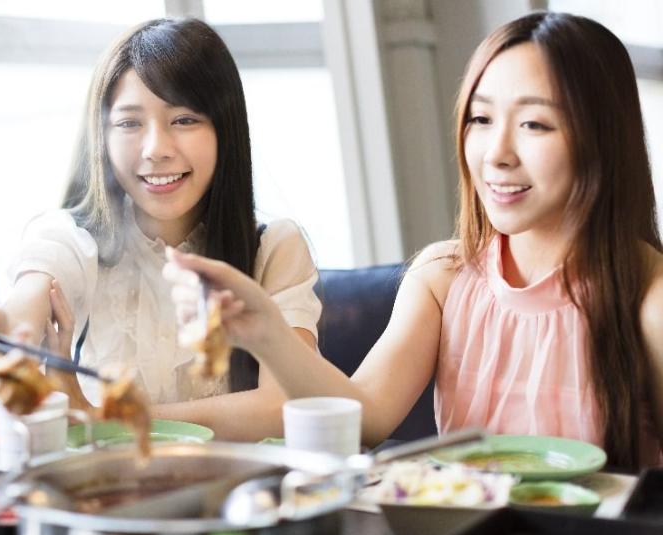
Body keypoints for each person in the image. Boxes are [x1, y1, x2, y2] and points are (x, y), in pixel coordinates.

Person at [164, 12, 663, 469]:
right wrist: (264, 330)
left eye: (534, 124)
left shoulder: (649, 298)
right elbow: (365, 420)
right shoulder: (443, 278)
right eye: (481, 119)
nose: (496, 154)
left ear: (601, 140)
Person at [0, 18, 321, 441]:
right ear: (102, 137)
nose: (156, 149)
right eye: (129, 124)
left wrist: (104, 415)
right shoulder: (72, 237)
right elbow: (27, 305)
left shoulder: (274, 246)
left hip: (239, 496)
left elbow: (286, 405)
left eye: (184, 120)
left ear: (226, 129)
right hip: (106, 492)